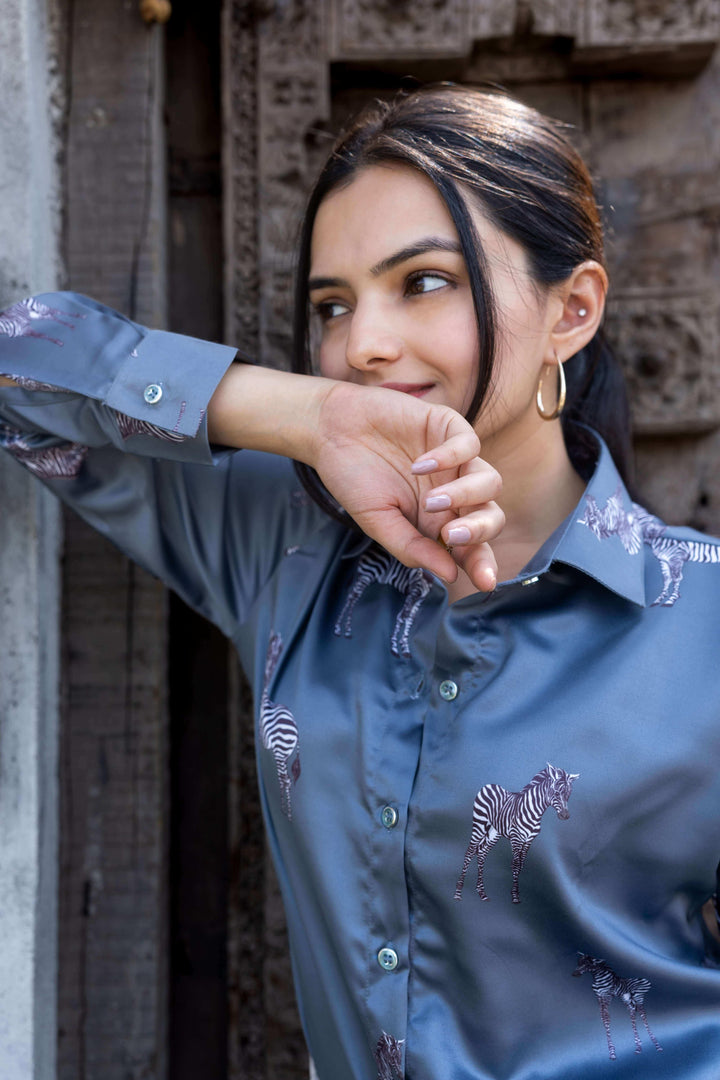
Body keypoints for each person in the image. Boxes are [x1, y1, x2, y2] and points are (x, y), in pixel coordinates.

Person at [1, 85, 719, 1079]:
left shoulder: (705, 625)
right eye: (331, 306)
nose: (361, 344)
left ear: (574, 309)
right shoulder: (283, 551)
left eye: (422, 282)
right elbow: (18, 363)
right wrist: (301, 415)